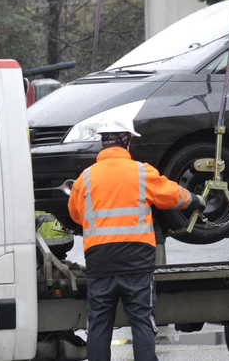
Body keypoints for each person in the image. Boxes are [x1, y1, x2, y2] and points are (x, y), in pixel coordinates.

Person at [68, 113, 207, 361]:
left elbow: (76, 214)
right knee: (141, 322)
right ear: (126, 141)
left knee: (99, 327)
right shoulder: (141, 173)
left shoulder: (86, 178)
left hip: (100, 263)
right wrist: (196, 199)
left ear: (104, 143)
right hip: (136, 262)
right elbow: (172, 196)